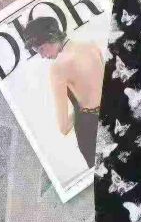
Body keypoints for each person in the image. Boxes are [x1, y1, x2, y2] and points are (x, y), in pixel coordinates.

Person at [23, 16, 104, 168]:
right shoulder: (91, 46)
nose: (42, 56)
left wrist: (82, 108)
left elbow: (64, 127)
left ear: (51, 37)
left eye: (41, 49)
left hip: (90, 132)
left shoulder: (58, 68)